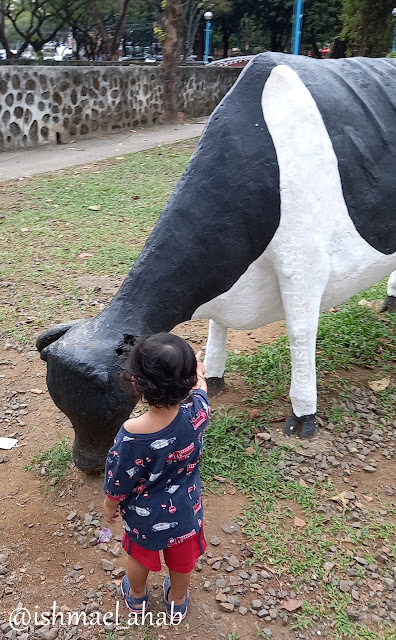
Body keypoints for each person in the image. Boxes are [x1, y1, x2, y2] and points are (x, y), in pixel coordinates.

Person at [103, 333, 209, 621]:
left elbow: (118, 480)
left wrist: (111, 504)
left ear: (136, 382)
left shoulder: (132, 434)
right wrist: (197, 374)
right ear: (187, 382)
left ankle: (137, 598)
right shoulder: (198, 412)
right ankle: (177, 602)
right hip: (187, 508)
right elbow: (202, 388)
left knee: (140, 555)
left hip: (144, 514)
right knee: (182, 559)